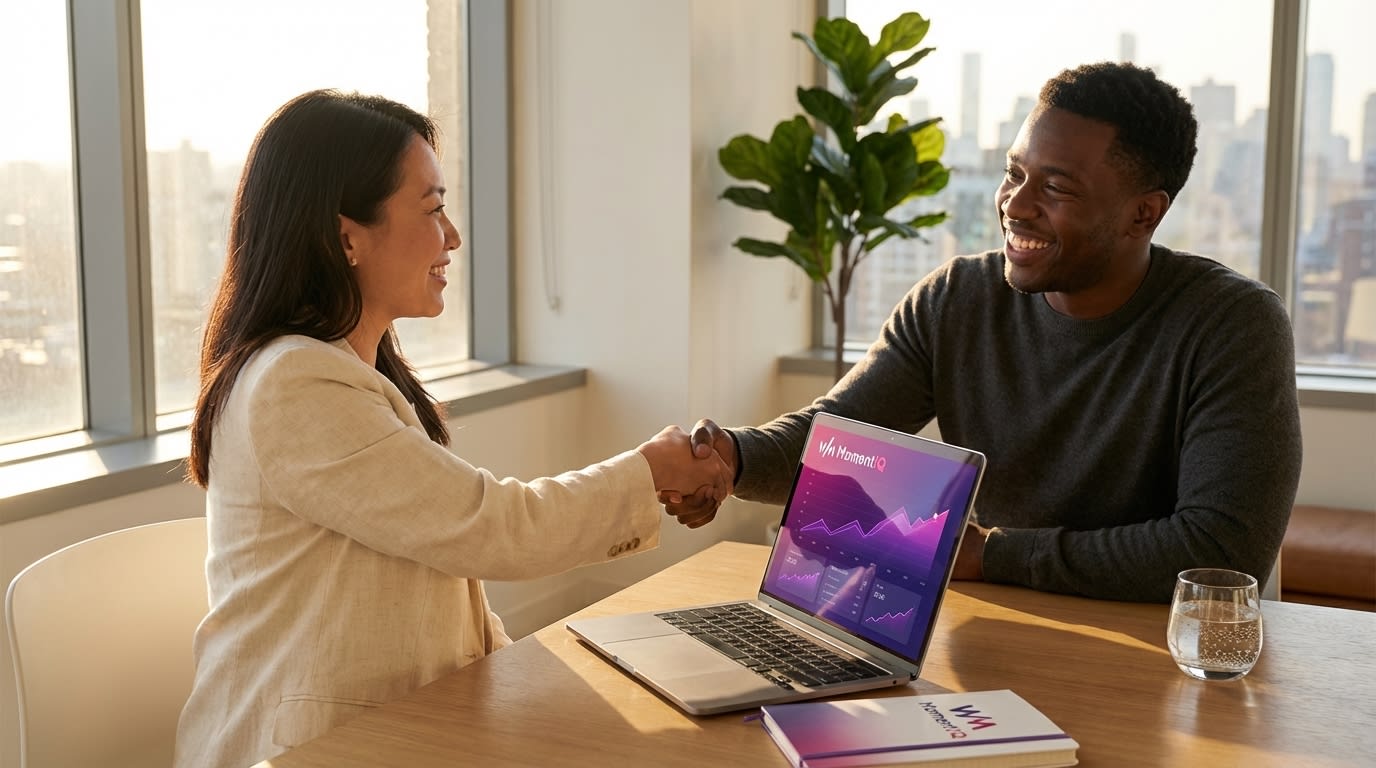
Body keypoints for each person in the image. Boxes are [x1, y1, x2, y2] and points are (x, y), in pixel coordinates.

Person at [173, 89, 731, 768]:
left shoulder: (345, 370)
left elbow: (446, 565)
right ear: (345, 236)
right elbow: (490, 528)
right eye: (433, 210)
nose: (454, 238)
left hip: (402, 725)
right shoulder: (296, 386)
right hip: (306, 751)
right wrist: (650, 471)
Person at [664, 61, 1302, 604]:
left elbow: (1220, 552)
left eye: (1055, 187)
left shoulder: (1232, 324)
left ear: (1144, 213)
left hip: (1166, 653)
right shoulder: (956, 299)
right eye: (1014, 172)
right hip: (1003, 624)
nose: (1016, 204)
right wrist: (733, 457)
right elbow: (839, 437)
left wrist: (995, 557)